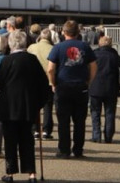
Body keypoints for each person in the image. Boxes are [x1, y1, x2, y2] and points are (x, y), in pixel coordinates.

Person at [0, 30, 50, 182]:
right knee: (27, 139)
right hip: (28, 107)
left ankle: (10, 173)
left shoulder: (6, 61)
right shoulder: (32, 60)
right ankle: (31, 173)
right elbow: (44, 85)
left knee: (10, 140)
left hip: (9, 107)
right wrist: (38, 103)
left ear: (11, 44)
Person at [47, 20, 97, 159]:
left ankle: (64, 150)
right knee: (79, 121)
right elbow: (93, 66)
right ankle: (78, 150)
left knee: (63, 121)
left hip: (63, 86)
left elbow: (50, 69)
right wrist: (89, 81)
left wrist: (53, 83)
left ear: (63, 32)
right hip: (80, 87)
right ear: (78, 32)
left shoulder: (57, 47)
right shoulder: (85, 46)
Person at [88, 36, 120, 144]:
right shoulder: (116, 56)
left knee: (95, 112)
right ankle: (108, 136)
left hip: (95, 87)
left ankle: (96, 135)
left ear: (99, 44)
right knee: (110, 113)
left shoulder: (94, 55)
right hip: (111, 88)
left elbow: (88, 70)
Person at [26, 30, 55, 140]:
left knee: (34, 106)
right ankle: (46, 131)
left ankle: (35, 130)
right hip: (48, 81)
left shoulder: (32, 47)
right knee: (48, 107)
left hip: (34, 81)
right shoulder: (53, 48)